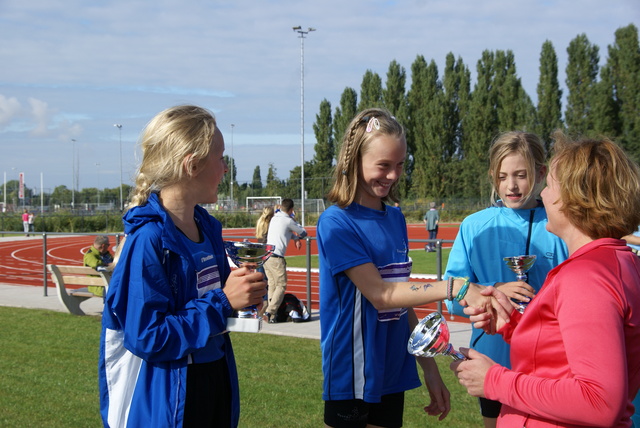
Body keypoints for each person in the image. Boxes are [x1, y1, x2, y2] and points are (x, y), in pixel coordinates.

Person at [317, 107, 511, 427]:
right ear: (354, 161)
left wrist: (430, 369)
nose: (393, 175)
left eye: (399, 165)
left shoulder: (395, 218)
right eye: (383, 165)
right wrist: (457, 286)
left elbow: (400, 300)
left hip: (393, 370)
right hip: (351, 374)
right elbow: (381, 294)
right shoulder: (336, 222)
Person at [452, 132, 640, 427]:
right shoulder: (609, 263)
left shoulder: (587, 278)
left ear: (575, 199)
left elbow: (600, 401)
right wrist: (514, 324)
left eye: (550, 185)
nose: (545, 195)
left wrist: (494, 380)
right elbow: (562, 350)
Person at [98, 105, 267, 428]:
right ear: (192, 165)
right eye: (221, 159)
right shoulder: (148, 241)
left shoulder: (208, 228)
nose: (225, 169)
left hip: (214, 379)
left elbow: (217, 305)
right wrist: (223, 302)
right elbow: (148, 337)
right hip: (170, 399)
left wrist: (246, 294)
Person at [443, 131, 568, 428]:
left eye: (521, 175)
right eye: (502, 176)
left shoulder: (561, 221)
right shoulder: (474, 226)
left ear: (540, 173)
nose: (511, 185)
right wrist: (493, 292)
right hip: (494, 357)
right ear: (492, 177)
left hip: (551, 360)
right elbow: (452, 301)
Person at [261, 198, 307, 323]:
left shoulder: (275, 217)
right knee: (281, 285)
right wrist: (297, 236)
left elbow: (284, 232)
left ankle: (272, 315)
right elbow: (303, 232)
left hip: (266, 255)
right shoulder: (288, 220)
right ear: (291, 210)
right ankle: (270, 311)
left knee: (272, 285)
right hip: (276, 257)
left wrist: (293, 237)